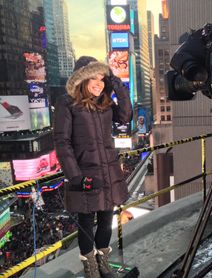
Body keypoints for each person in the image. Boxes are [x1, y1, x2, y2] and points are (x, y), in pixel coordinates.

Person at [54, 56, 132, 278]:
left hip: (108, 170)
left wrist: (117, 84)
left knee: (107, 219)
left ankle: (103, 261)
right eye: (93, 78)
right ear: (81, 80)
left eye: (102, 78)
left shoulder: (105, 103)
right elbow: (62, 142)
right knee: (86, 222)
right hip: (84, 173)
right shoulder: (67, 103)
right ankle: (90, 267)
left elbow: (126, 116)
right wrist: (75, 177)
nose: (99, 83)